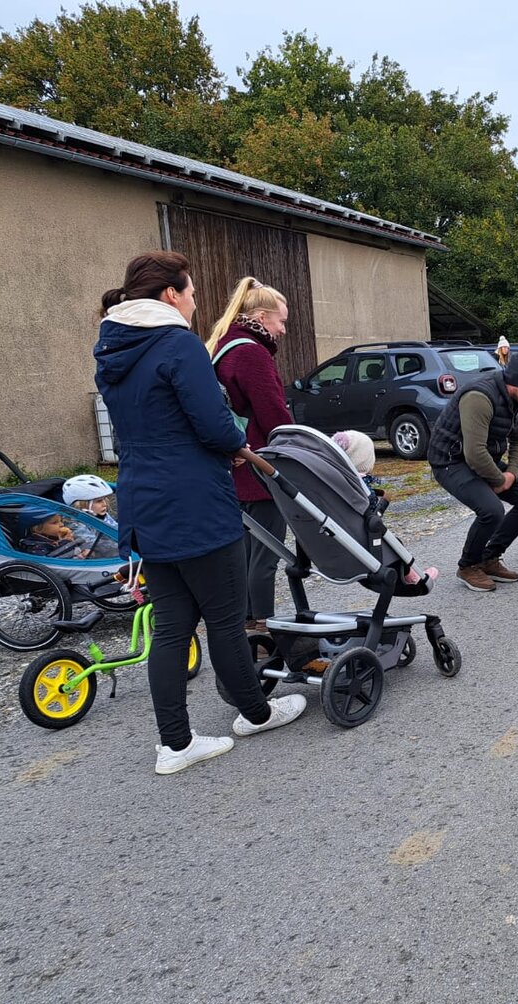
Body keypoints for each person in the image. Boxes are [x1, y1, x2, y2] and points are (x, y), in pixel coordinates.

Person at [95, 251, 305, 775]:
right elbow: (213, 425)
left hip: (143, 500)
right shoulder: (176, 344)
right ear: (170, 295)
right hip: (194, 499)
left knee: (171, 627)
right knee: (226, 619)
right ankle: (255, 713)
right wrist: (236, 443)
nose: (194, 303)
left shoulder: (113, 348)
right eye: (189, 293)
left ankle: (175, 743)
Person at [206, 276, 294, 632]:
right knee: (266, 552)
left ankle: (242, 619)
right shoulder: (251, 352)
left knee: (244, 550)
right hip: (260, 465)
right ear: (260, 316)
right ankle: (261, 623)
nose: (283, 330)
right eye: (281, 321)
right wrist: (295, 448)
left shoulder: (222, 348)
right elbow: (273, 413)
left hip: (234, 465)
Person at [428, 350, 518, 592]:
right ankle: (468, 566)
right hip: (451, 460)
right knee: (491, 510)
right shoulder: (479, 397)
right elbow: (474, 452)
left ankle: (489, 558)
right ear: (513, 381)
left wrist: (510, 475)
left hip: (483, 458)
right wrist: (498, 479)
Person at [332, 429, 437, 588]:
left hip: (336, 541)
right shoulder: (360, 486)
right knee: (394, 544)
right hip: (363, 539)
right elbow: (370, 513)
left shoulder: (334, 482)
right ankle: (412, 576)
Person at [63, 474, 119, 556]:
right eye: (99, 501)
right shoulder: (73, 523)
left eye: (105, 499)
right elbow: (95, 544)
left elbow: (117, 529)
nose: (105, 504)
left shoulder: (98, 514)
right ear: (83, 505)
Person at [16, 508, 88, 559]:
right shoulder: (32, 545)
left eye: (61, 521)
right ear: (38, 529)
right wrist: (67, 542)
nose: (61, 524)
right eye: (55, 522)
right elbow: (51, 558)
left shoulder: (54, 537)